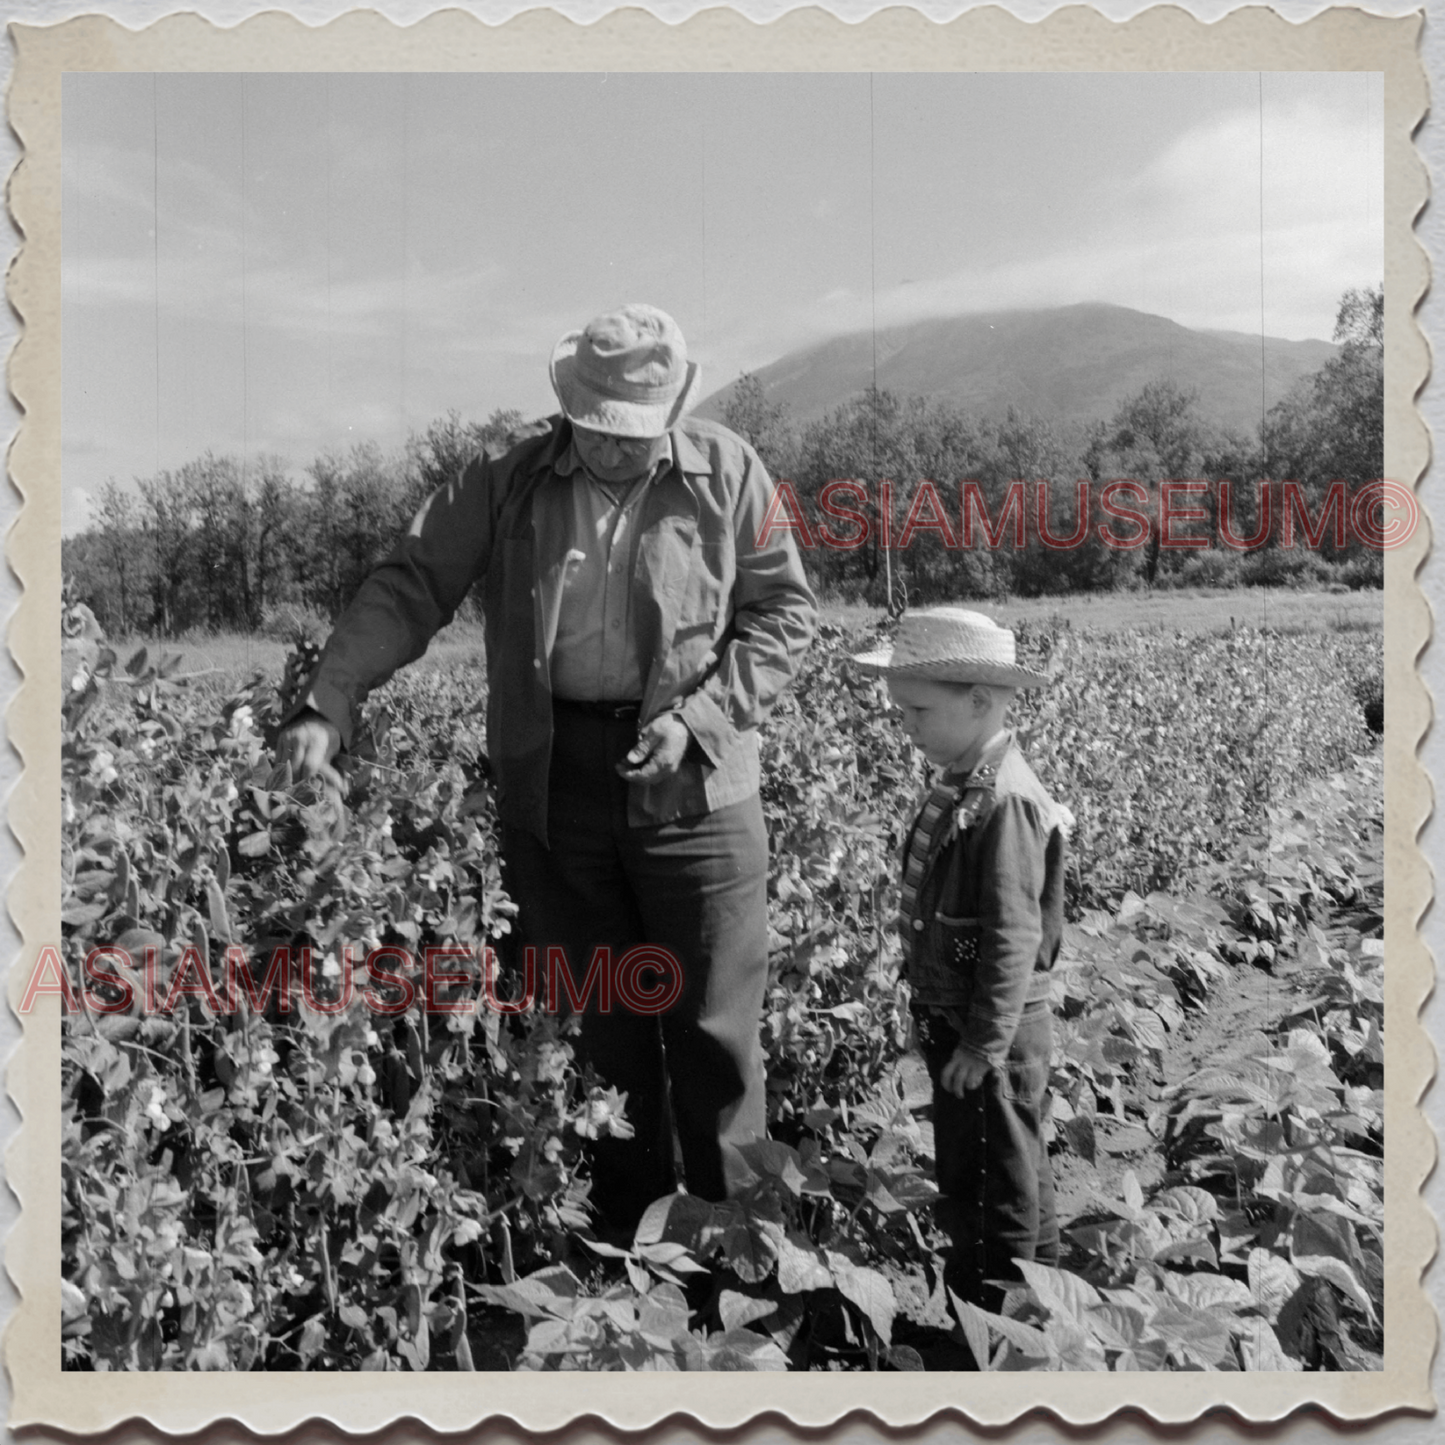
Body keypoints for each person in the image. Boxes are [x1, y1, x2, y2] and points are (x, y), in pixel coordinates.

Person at [276, 303, 817, 1237]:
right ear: (570, 406)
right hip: (558, 775)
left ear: (674, 408)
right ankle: (627, 1253)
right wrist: (330, 699)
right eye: (597, 431)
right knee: (597, 1025)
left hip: (698, 781)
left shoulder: (729, 472)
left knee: (715, 1029)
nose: (613, 450)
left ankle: (739, 1260)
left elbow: (784, 617)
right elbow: (410, 584)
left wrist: (701, 718)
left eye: (634, 435)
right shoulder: (508, 476)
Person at [851, 606, 1066, 1327]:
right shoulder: (966, 779)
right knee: (1005, 1163)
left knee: (990, 1178)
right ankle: (1031, 1301)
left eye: (916, 709)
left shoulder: (1002, 802)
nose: (905, 724)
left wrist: (981, 1040)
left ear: (977, 702)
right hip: (972, 1014)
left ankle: (997, 1317)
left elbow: (1009, 933)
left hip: (992, 1027)